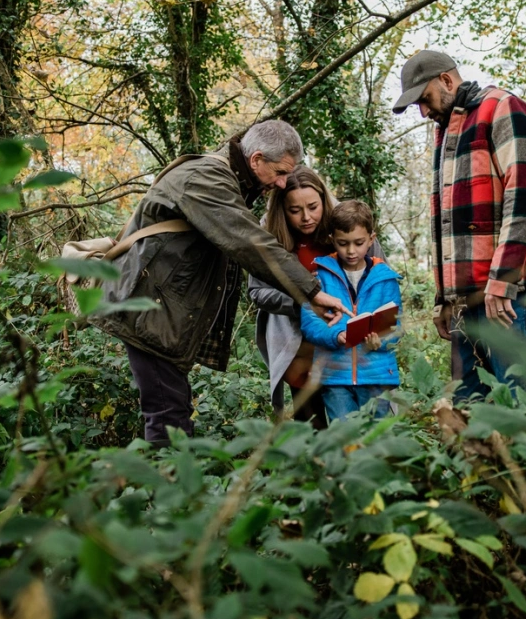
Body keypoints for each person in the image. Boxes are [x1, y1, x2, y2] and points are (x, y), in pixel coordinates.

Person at [92, 120, 350, 444]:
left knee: (174, 408)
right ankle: (168, 487)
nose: (284, 183)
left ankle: (173, 484)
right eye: (280, 172)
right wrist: (310, 291)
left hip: (161, 309)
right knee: (167, 418)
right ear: (256, 160)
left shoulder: (229, 179)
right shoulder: (207, 178)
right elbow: (248, 241)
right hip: (149, 311)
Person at [392, 50, 526, 402]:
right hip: (467, 299)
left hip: (513, 293)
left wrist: (504, 280)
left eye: (425, 100)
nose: (423, 112)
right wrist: (445, 299)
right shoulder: (447, 132)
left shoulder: (505, 108)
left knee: (521, 403)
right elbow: (448, 222)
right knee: (468, 408)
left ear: (446, 80)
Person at [248, 168, 385, 428]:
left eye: (313, 206)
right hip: (298, 352)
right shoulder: (269, 234)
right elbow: (257, 291)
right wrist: (303, 304)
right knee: (310, 429)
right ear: (281, 209)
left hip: (348, 352)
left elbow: (379, 278)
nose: (306, 217)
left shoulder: (347, 225)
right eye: (294, 210)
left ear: (323, 199)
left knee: (357, 426)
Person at [300, 200, 402, 422]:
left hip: (376, 376)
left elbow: (396, 328)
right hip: (335, 376)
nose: (351, 250)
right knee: (344, 440)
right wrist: (336, 335)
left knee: (376, 441)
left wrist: (381, 341)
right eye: (343, 243)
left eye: (358, 243)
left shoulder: (386, 279)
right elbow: (309, 322)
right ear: (332, 240)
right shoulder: (320, 277)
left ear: (371, 239)